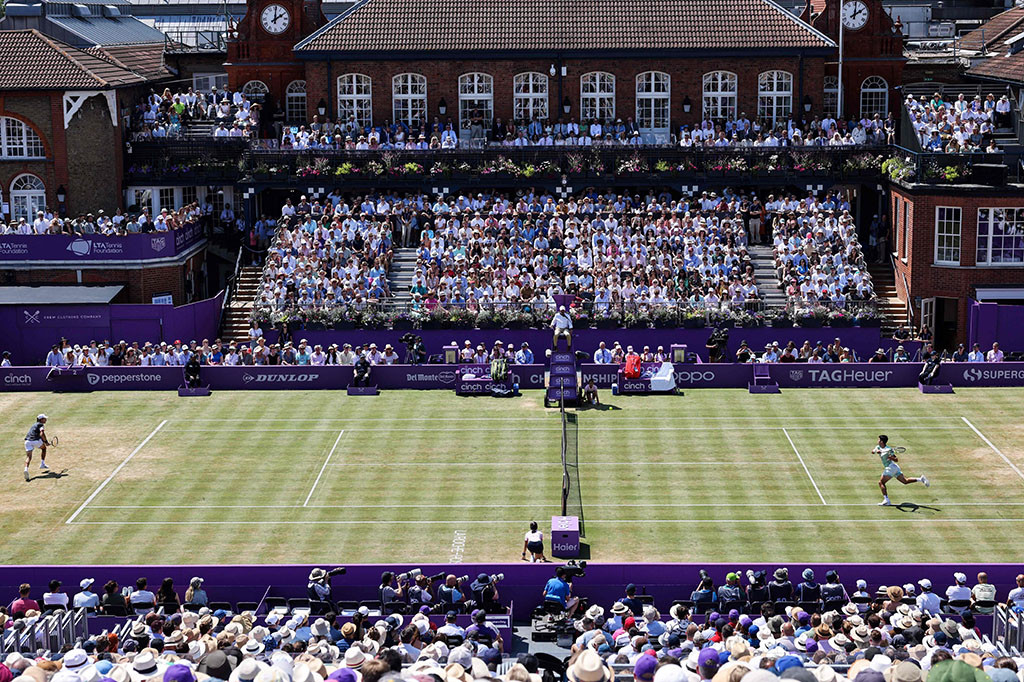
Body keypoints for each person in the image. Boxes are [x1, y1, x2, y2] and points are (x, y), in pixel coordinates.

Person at [875, 434, 929, 506]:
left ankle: (886, 500)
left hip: (890, 468)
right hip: (894, 468)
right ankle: (920, 479)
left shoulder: (889, 449)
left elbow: (896, 459)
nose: (877, 441)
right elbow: (873, 451)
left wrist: (891, 458)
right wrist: (877, 451)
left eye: (878, 439)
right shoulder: (878, 447)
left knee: (881, 482)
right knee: (905, 481)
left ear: (882, 441)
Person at [23, 413, 50, 481]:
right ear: (41, 420)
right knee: (44, 448)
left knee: (29, 457)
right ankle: (42, 464)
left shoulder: (34, 425)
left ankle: (26, 469)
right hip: (35, 441)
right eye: (44, 419)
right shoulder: (41, 425)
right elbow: (42, 434)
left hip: (27, 441)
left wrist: (43, 441)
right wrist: (46, 442)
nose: (46, 419)